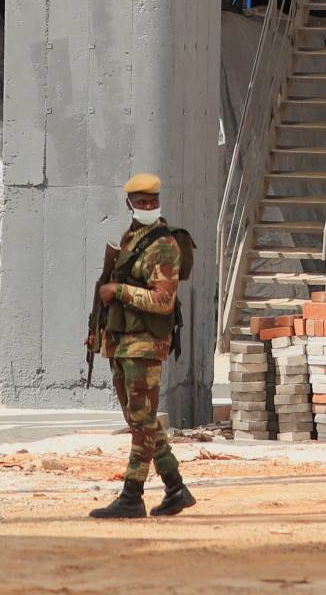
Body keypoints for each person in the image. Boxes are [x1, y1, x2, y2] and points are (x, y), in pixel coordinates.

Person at [88, 173, 198, 519]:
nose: (148, 206)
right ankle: (175, 488)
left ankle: (132, 495)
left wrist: (118, 291)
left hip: (146, 344)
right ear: (130, 205)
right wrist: (98, 332)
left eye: (153, 201)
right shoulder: (130, 239)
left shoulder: (164, 245)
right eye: (141, 202)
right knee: (143, 419)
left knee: (141, 421)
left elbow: (163, 300)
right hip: (123, 343)